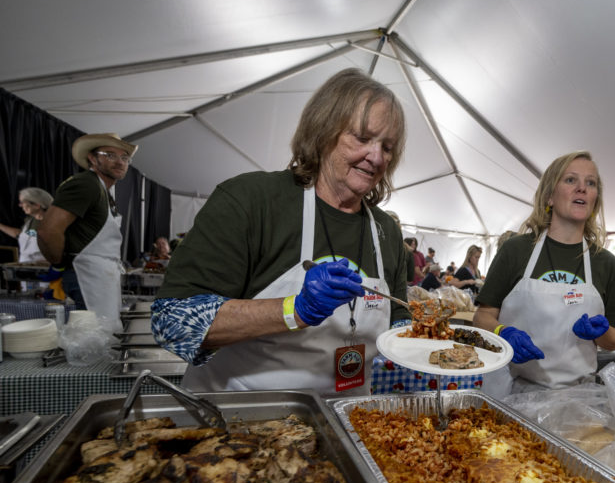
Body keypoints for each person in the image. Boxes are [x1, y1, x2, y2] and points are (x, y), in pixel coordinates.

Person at [153, 67, 411, 395]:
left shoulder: (385, 229)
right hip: (244, 421)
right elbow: (172, 322)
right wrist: (295, 309)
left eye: (387, 147)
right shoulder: (251, 201)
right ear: (323, 131)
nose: (376, 157)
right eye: (362, 138)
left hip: (347, 421)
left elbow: (399, 316)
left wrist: (426, 341)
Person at [474, 150, 615, 394]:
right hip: (512, 393)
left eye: (591, 183)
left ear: (595, 199)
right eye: (570, 180)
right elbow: (482, 317)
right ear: (549, 196)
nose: (582, 188)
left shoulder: (605, 263)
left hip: (577, 400)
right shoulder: (517, 250)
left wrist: (603, 332)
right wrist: (503, 332)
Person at [38, 133, 137, 330]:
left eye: (124, 157)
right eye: (110, 155)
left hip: (100, 276)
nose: (119, 162)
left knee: (102, 335)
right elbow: (47, 232)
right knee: (92, 340)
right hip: (86, 275)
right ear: (92, 158)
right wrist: (59, 265)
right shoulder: (86, 184)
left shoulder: (103, 191)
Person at [0, 188, 52, 264]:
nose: (20, 205)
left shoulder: (53, 222)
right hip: (26, 268)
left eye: (22, 202)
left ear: (37, 205)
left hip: (45, 270)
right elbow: (22, 235)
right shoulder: (30, 221)